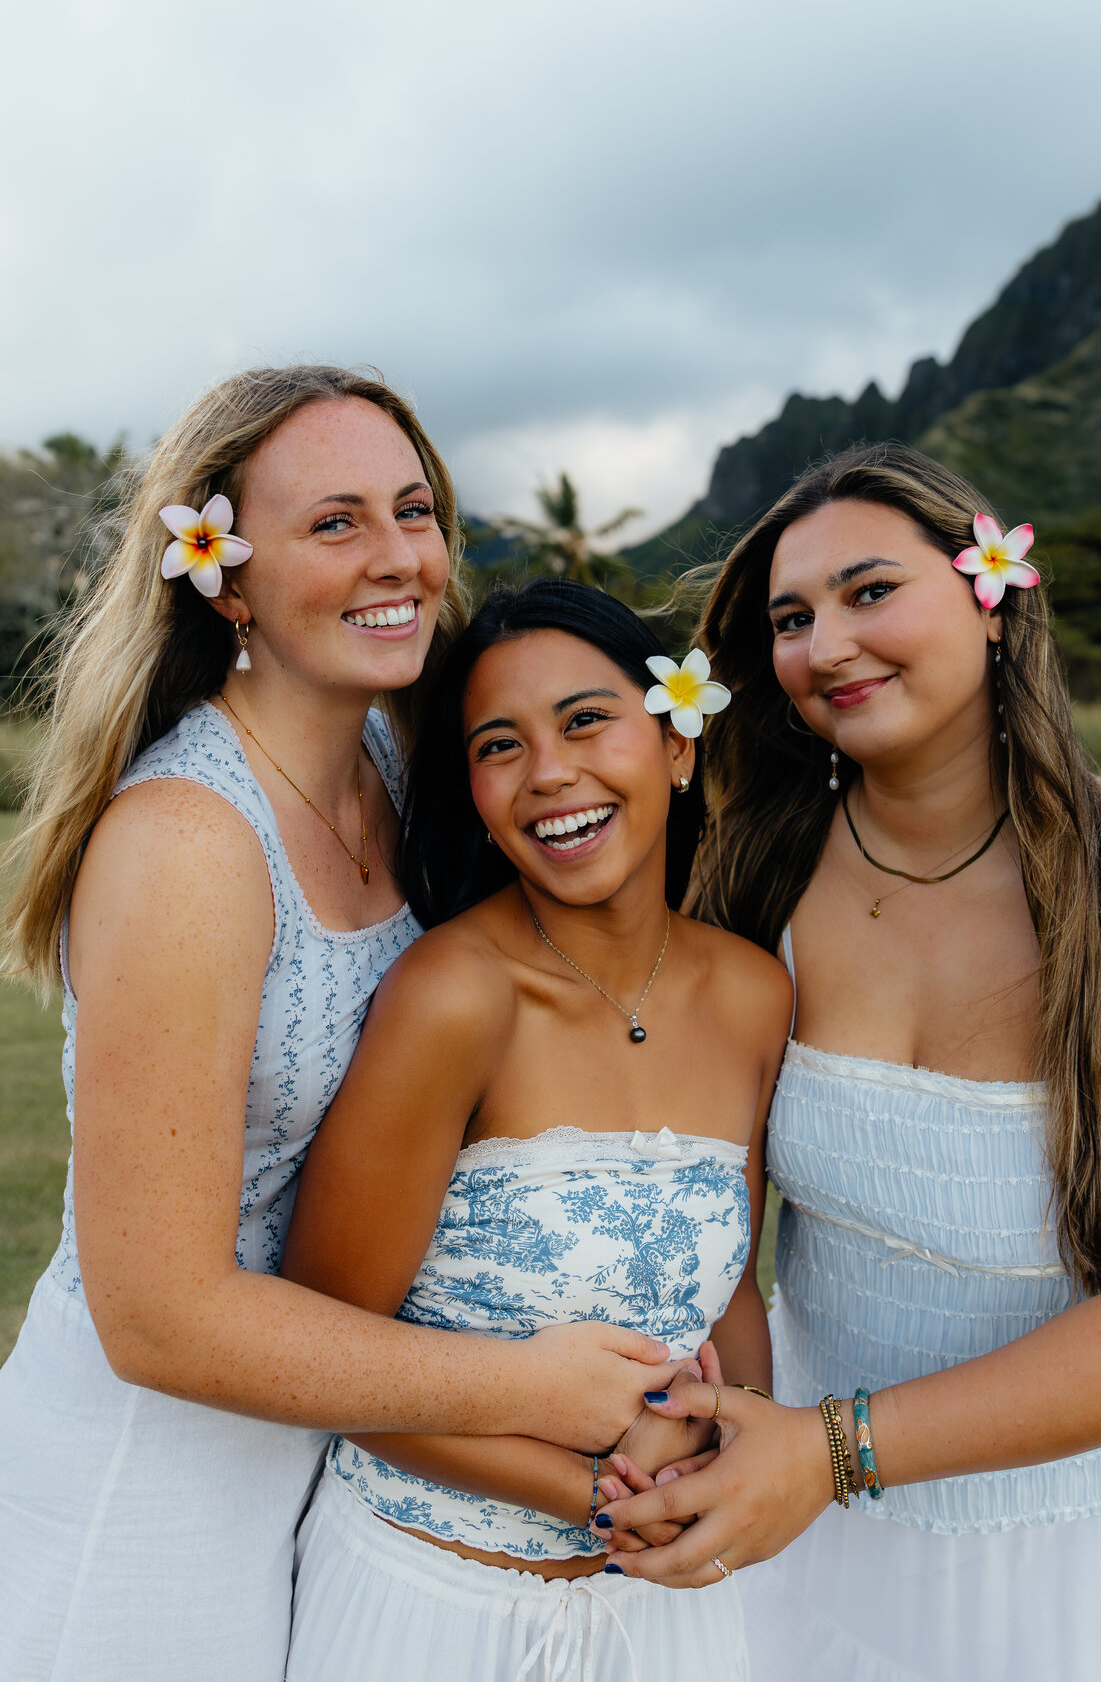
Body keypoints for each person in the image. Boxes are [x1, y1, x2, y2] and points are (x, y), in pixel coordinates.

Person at [0, 369, 680, 1682]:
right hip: (148, 1491)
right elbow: (159, 1317)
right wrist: (529, 1388)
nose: (399, 558)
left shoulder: (392, 765)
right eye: (335, 523)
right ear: (226, 579)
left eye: (415, 510)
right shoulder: (189, 843)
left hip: (325, 1457)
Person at [590, 444, 1101, 1682]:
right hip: (804, 1543)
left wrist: (831, 1450)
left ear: (991, 594)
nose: (826, 647)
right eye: (792, 619)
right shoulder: (749, 874)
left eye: (871, 592)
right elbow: (707, 1222)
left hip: (1078, 1558)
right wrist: (713, 1435)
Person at [280, 579, 791, 1681]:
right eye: (499, 744)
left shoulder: (755, 996)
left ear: (678, 747)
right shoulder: (453, 998)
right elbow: (326, 1356)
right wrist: (605, 1494)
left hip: (669, 1616)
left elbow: (731, 1286)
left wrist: (734, 1443)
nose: (550, 773)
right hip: (433, 1606)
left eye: (587, 720)